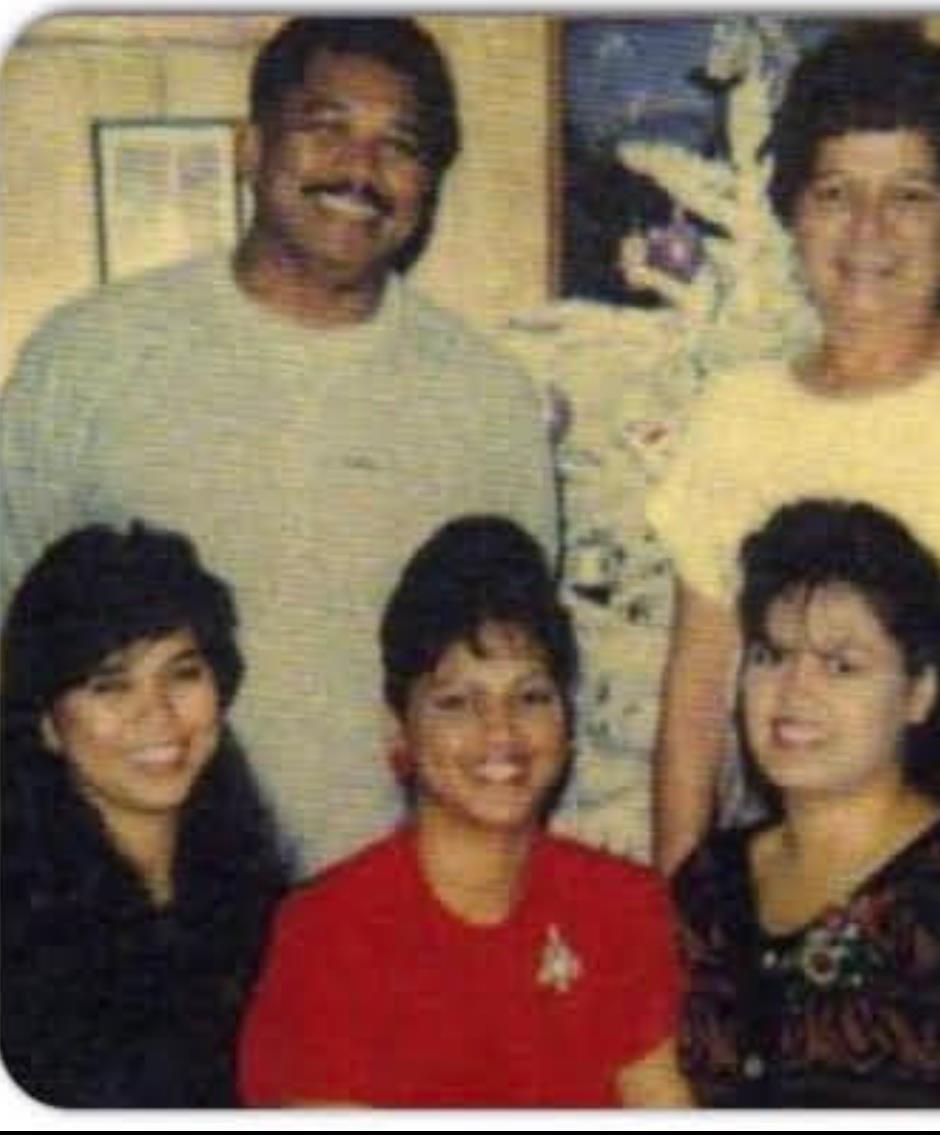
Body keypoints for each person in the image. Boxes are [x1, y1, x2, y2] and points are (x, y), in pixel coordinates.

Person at [0, 17, 558, 877]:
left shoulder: (488, 402)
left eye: (398, 145)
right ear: (251, 147)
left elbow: (516, 680)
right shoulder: (88, 358)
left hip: (392, 905)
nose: (361, 170)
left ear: (428, 185)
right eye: (326, 127)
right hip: (131, 913)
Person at [647, 24, 940, 873]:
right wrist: (688, 923)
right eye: (836, 193)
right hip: (824, 887)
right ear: (794, 215)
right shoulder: (741, 417)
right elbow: (695, 708)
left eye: (910, 195)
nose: (868, 231)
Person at [238, 516, 691, 1107]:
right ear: (397, 728)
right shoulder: (331, 934)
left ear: (567, 717)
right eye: (457, 703)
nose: (499, 731)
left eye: (530, 696)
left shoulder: (623, 907)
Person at [673, 498, 940, 1107]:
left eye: (841, 666)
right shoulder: (710, 881)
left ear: (920, 693)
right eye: (771, 656)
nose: (793, 691)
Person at [1, 522, 288, 1107]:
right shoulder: (19, 936)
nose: (157, 715)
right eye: (111, 686)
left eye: (182, 674)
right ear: (50, 725)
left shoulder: (262, 898)